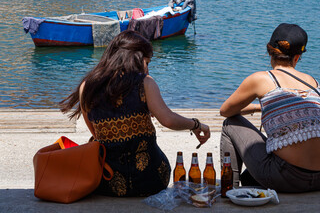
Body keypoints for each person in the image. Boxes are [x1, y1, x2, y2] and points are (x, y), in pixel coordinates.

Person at [60, 30, 210, 197]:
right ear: (136, 58)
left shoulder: (87, 86)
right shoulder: (145, 83)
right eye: (147, 62)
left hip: (106, 182)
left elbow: (96, 134)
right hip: (150, 180)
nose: (147, 69)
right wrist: (196, 124)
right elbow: (168, 120)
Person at [219, 23, 320, 193]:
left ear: (270, 52)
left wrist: (255, 107)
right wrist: (264, 108)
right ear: (297, 57)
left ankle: (230, 190)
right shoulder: (313, 82)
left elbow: (225, 111)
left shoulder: (261, 79)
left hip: (288, 177)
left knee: (230, 124)